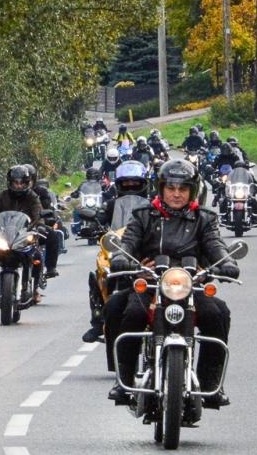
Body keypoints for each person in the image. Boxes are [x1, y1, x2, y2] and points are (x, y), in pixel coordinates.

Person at [102, 159, 239, 409]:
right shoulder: (143, 215)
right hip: (152, 284)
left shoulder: (204, 219)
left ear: (193, 191)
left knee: (218, 313)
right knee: (120, 309)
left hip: (190, 285)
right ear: (161, 188)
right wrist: (122, 259)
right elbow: (128, 242)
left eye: (183, 188)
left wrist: (225, 262)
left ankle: (210, 386)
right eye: (171, 188)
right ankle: (123, 380)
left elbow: (215, 245)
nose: (176, 194)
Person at [80, 160, 150, 344]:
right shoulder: (111, 205)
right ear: (119, 185)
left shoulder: (151, 207)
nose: (131, 187)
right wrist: (93, 226)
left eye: (135, 183)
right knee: (97, 274)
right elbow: (100, 218)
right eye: (126, 183)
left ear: (143, 184)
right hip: (115, 247)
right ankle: (97, 321)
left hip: (142, 251)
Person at [0, 164, 56, 286]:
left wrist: (40, 225)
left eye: (22, 183)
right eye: (15, 183)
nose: (18, 186)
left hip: (25, 231)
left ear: (28, 183)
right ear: (10, 182)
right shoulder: (3, 195)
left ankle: (36, 286)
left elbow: (38, 211)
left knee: (37, 255)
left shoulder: (33, 197)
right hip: (4, 232)